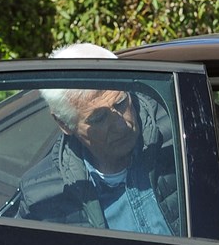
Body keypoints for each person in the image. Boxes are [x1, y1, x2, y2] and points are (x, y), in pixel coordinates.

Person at [17, 44, 181, 234]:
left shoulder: (180, 126)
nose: (121, 125)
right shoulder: (42, 197)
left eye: (121, 103)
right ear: (64, 124)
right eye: (99, 118)